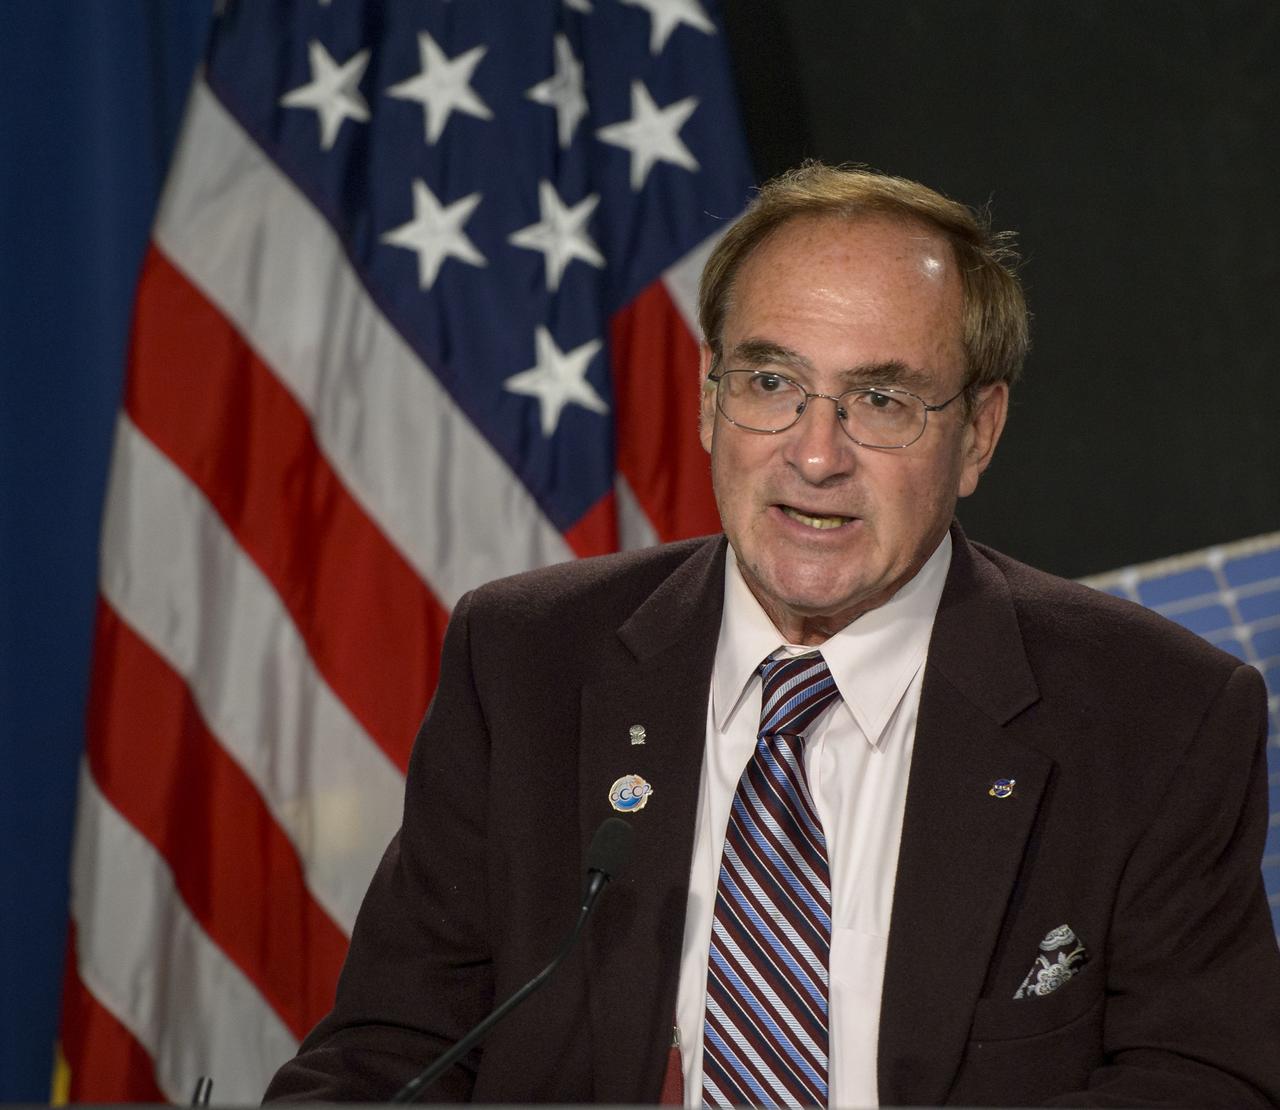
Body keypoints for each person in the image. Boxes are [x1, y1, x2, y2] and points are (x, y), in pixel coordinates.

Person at [265, 163, 1280, 1107]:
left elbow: (1200, 1084)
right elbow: (390, 1053)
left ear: (977, 432)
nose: (813, 452)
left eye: (879, 399)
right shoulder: (527, 658)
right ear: (709, 400)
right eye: (769, 384)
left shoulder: (1154, 715)